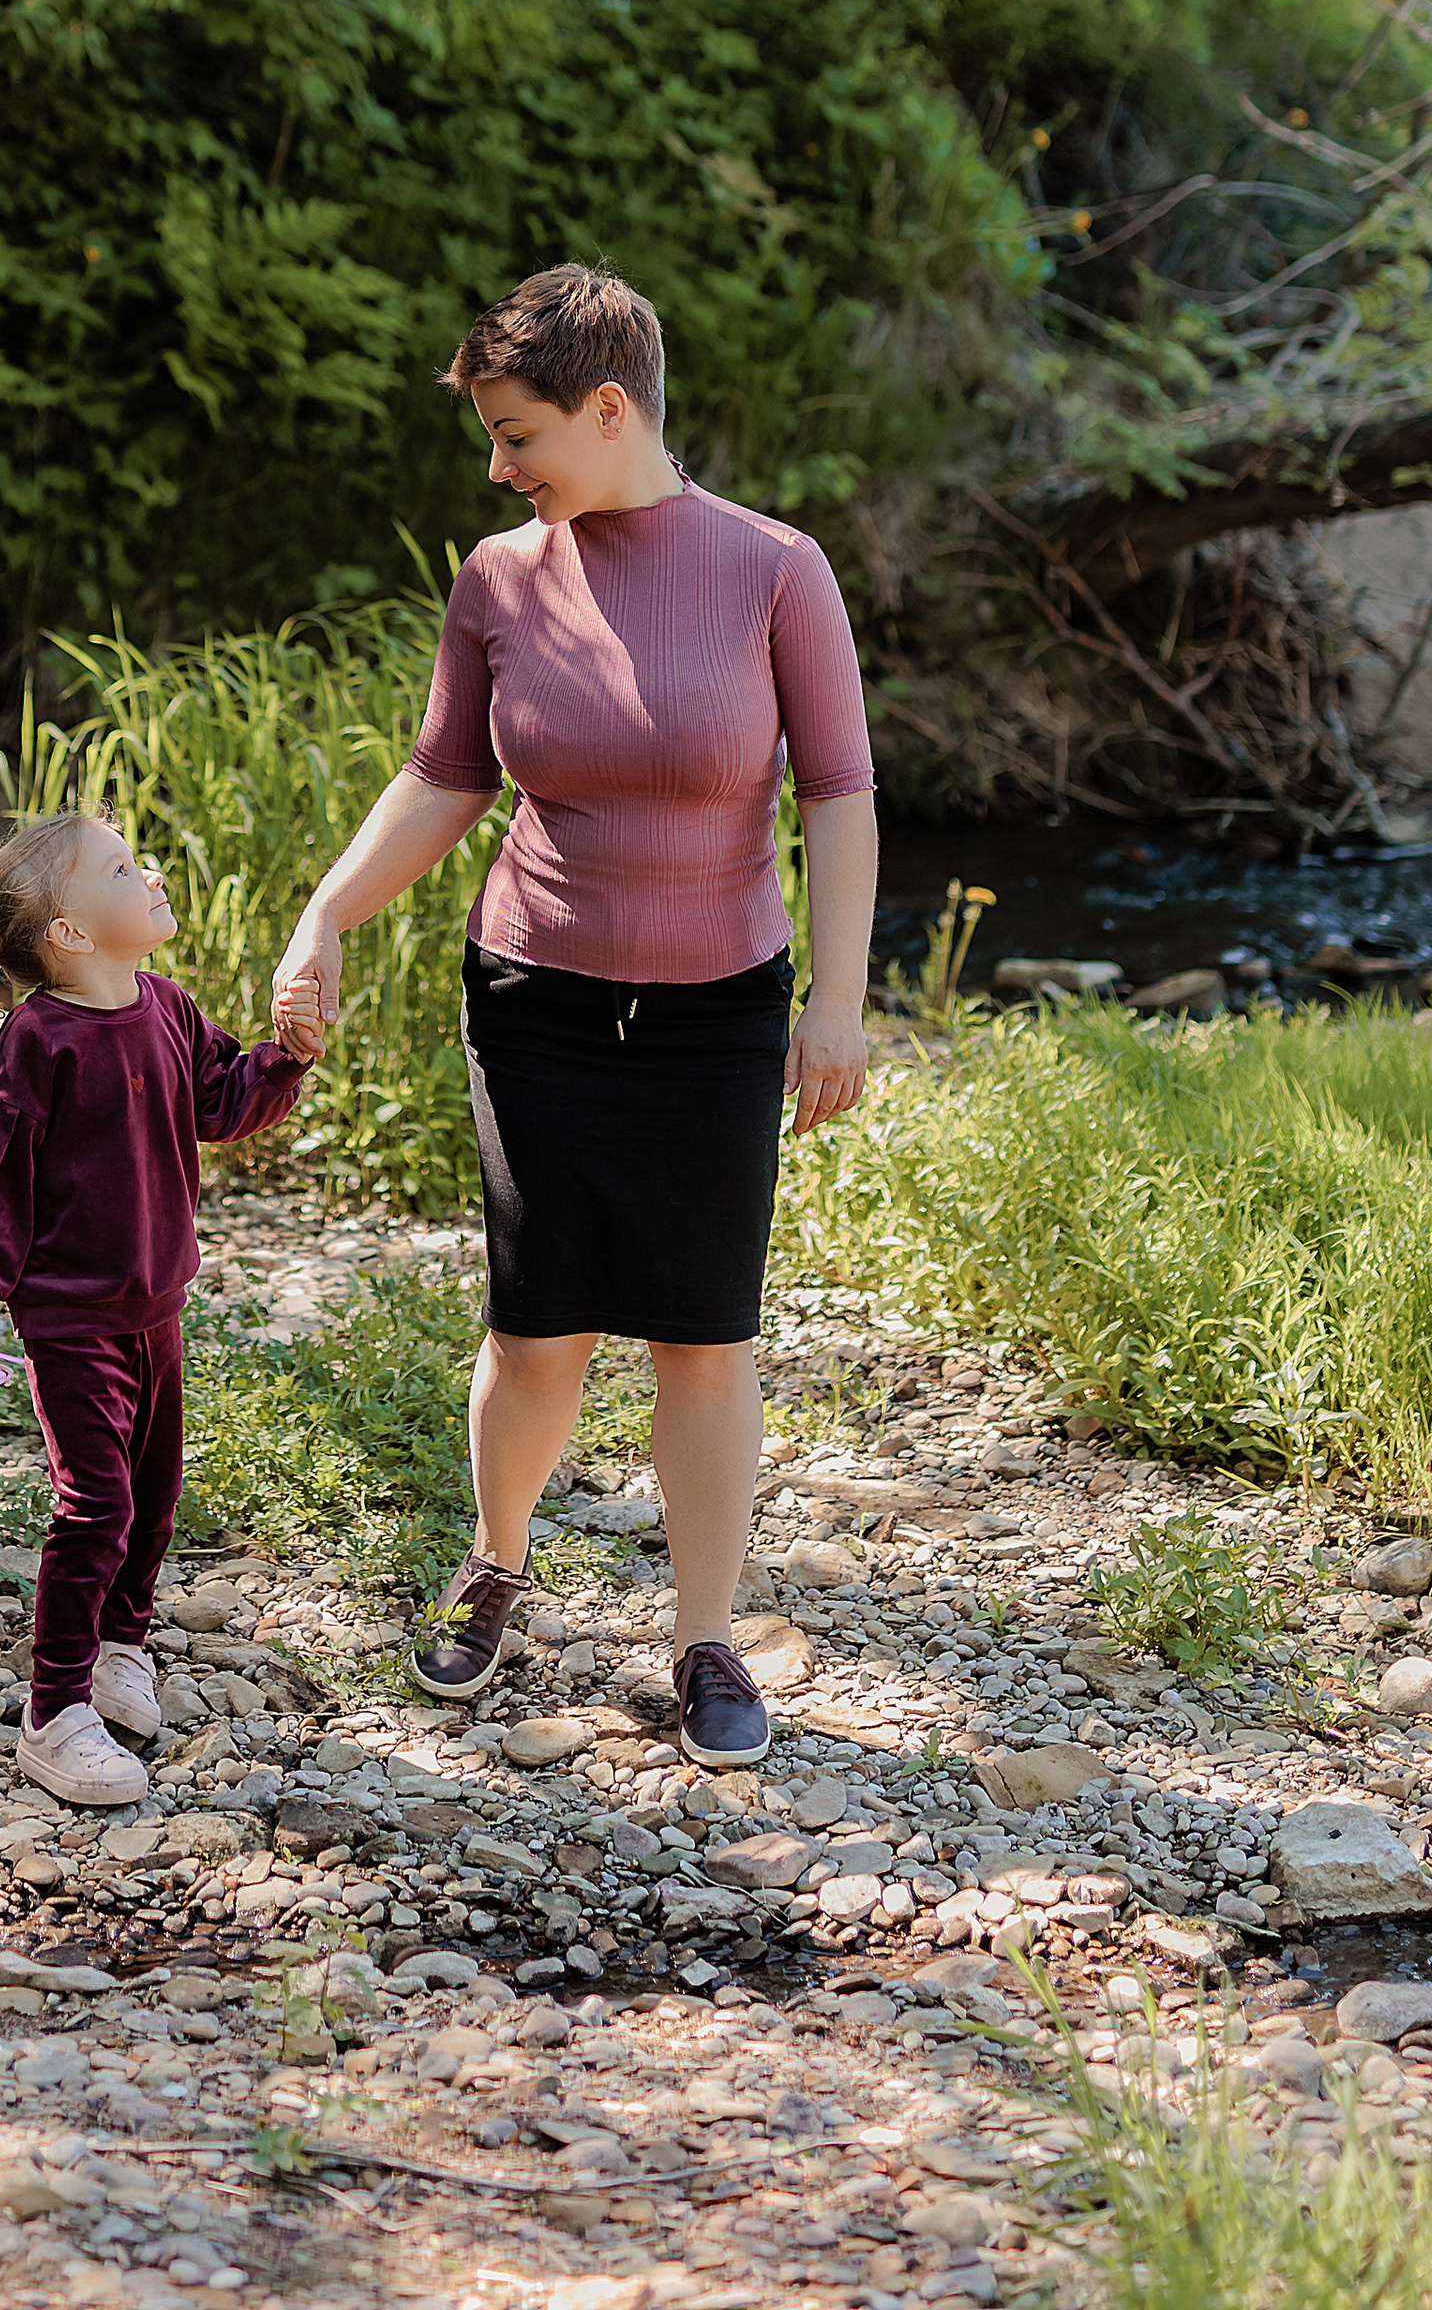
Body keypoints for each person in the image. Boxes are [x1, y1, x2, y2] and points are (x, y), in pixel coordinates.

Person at [272, 264, 878, 1773]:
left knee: (703, 1337)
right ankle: (496, 1561)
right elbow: (448, 775)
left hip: (721, 1011)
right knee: (539, 1328)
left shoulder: (776, 569)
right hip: (534, 998)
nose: (499, 464)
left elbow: (840, 795)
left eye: (517, 430)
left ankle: (707, 1637)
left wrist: (839, 1004)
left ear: (609, 411)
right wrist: (324, 914)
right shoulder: (500, 575)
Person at [0, 807, 324, 1806]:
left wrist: (287, 1054)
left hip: (157, 1303)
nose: (147, 872)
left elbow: (222, 1103)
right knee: (94, 1503)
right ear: (68, 934)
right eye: (119, 868)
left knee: (153, 1496)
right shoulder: (38, 1043)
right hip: (69, 1318)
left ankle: (120, 1647)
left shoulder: (166, 1005)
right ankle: (54, 1711)